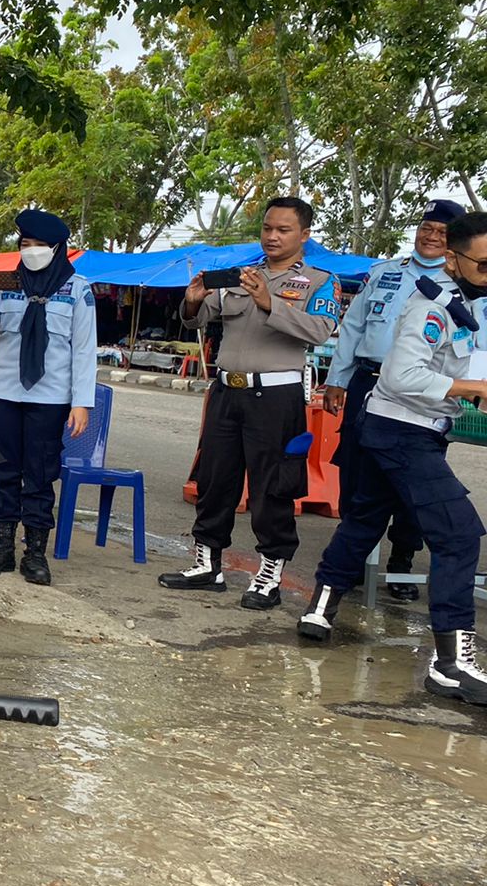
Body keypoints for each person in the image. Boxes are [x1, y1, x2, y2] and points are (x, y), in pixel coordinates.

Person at [295, 212, 487, 706]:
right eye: (485, 266)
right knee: (459, 534)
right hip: (400, 429)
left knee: (365, 517)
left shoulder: (466, 301)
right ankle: (451, 663)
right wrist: (470, 388)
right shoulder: (434, 304)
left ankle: (321, 604)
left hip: (404, 426)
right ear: (454, 258)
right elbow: (403, 376)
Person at [159, 198, 339, 609]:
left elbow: (320, 331)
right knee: (214, 478)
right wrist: (192, 299)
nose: (272, 237)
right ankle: (207, 564)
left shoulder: (319, 281)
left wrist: (269, 303)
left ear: (304, 235)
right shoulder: (241, 275)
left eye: (283, 230)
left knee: (272, 487)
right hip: (227, 390)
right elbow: (199, 316)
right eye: (267, 228)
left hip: (275, 396)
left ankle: (269, 575)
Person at [322, 199, 464, 602]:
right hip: (368, 380)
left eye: (442, 232)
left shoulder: (460, 287)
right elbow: (352, 326)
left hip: (425, 390)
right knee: (355, 470)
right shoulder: (386, 273)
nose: (431, 237)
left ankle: (401, 561)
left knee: (413, 481)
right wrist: (338, 379)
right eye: (426, 228)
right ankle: (348, 565)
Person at [0, 209, 97, 585]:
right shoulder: (5, 283)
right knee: (4, 471)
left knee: (40, 476)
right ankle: (2, 548)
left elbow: (85, 349)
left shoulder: (78, 289)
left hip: (51, 396)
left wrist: (81, 403)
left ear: (58, 248)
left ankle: (36, 554)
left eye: (39, 245)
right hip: (4, 390)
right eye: (25, 244)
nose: (31, 251)